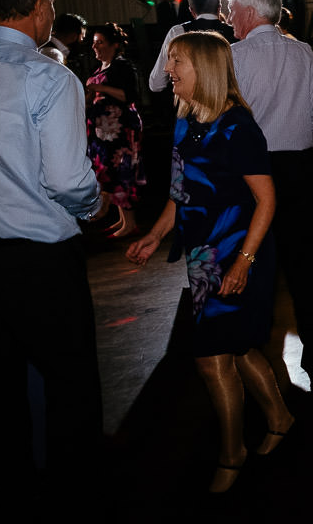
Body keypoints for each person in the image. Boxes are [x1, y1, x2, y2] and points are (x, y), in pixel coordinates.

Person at [0, 0, 108, 512]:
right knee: (71, 384)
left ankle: (8, 496)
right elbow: (69, 180)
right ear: (40, 7)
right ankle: (77, 498)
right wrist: (98, 211)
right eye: (50, 2)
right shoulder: (48, 76)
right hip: (39, 261)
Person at [126, 31, 295, 494]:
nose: (168, 71)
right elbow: (180, 194)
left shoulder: (238, 127)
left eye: (177, 62)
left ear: (206, 68)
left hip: (241, 254)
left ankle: (231, 453)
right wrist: (154, 236)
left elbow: (266, 200)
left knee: (210, 358)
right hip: (203, 259)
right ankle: (280, 417)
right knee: (238, 348)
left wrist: (242, 262)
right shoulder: (185, 123)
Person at [226, 0, 313, 402]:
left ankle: (252, 363)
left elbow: (224, 120)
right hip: (296, 169)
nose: (229, 16)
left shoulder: (233, 57)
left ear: (251, 12)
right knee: (304, 271)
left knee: (251, 266)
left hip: (251, 172)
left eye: (232, 9)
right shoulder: (304, 51)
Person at [85, 22, 146, 238]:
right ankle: (122, 220)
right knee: (109, 172)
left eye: (100, 43)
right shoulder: (96, 70)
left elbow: (127, 96)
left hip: (120, 131)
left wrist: (98, 88)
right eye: (94, 43)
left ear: (114, 45)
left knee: (123, 171)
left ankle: (130, 223)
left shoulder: (123, 66)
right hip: (103, 133)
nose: (96, 47)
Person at [148, 0, 235, 93]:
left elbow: (156, 83)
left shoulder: (178, 32)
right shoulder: (235, 32)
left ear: (191, 11)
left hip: (193, 104)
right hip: (228, 100)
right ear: (219, 8)